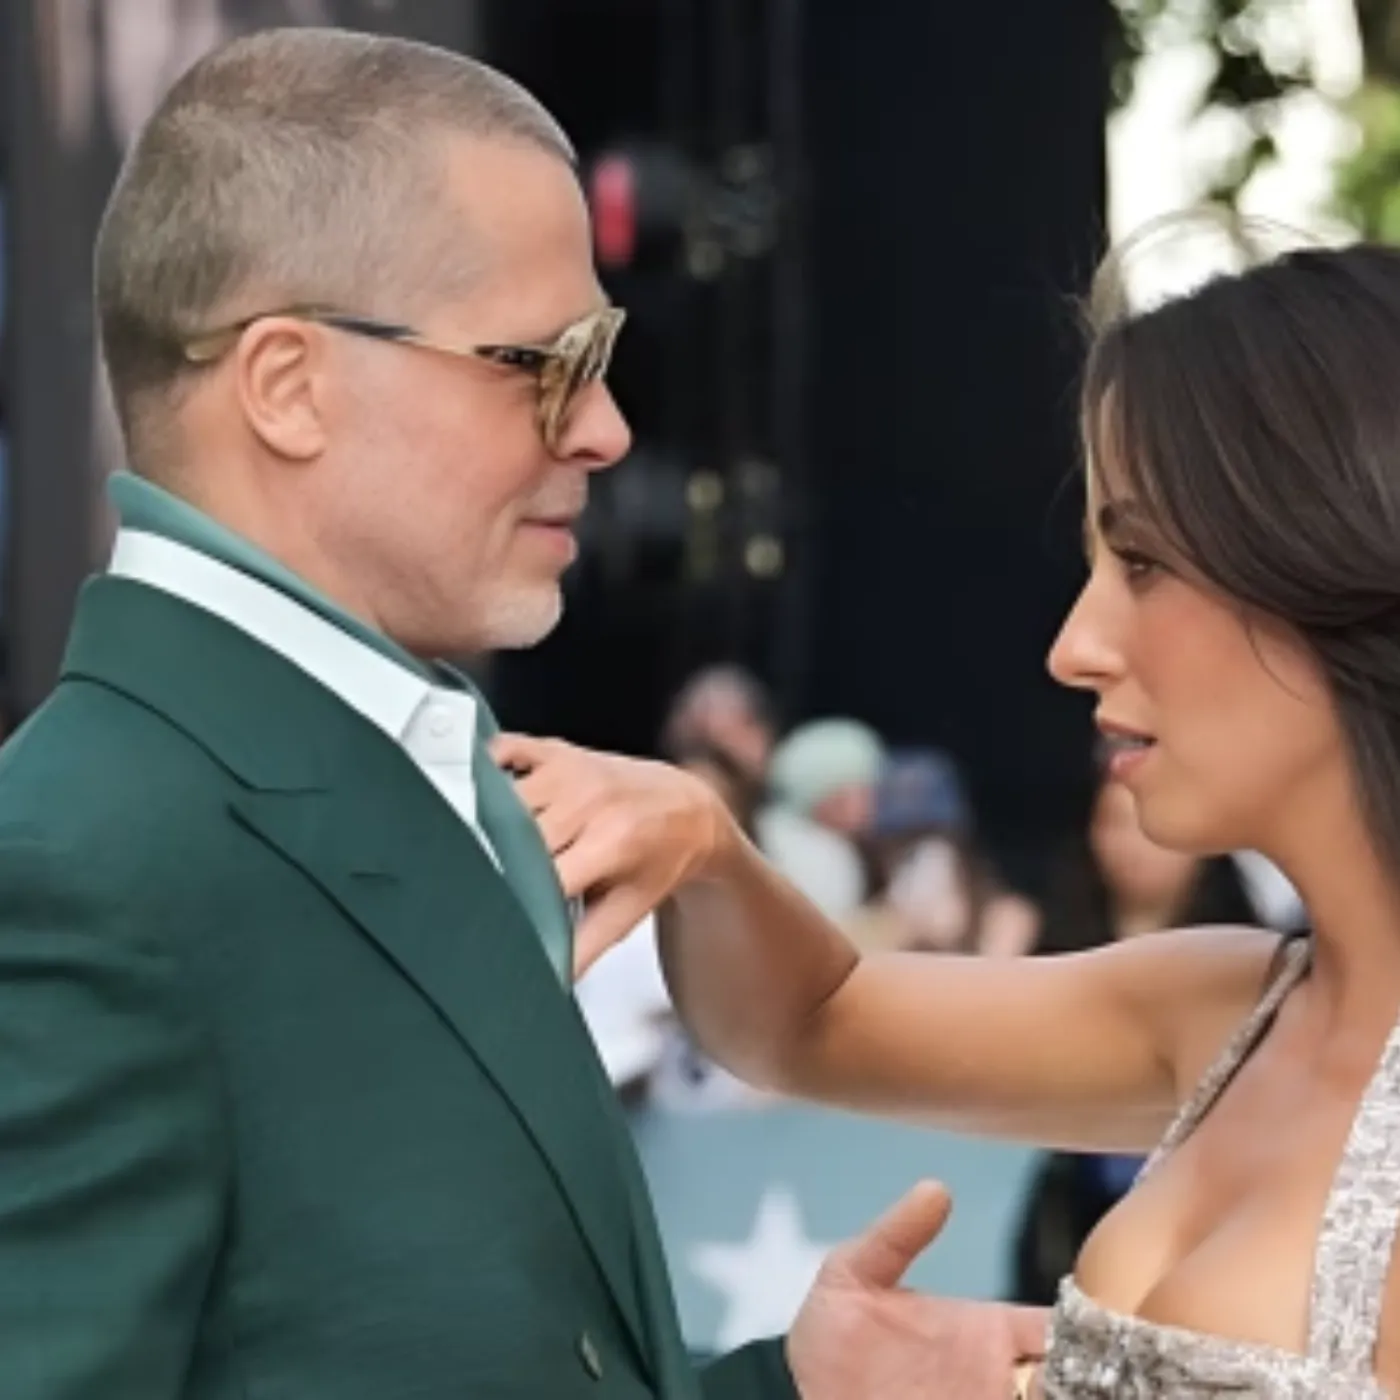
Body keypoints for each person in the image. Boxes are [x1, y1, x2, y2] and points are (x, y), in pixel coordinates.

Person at [0, 28, 1045, 1400]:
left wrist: (792, 1388)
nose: (605, 428)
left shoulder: (367, 780)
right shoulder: (71, 870)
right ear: (288, 386)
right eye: (546, 360)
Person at [496, 225, 1400, 1397]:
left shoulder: (1211, 1010)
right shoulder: (1227, 1009)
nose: (1073, 646)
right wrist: (701, 839)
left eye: (1139, 562)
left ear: (1331, 551)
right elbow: (808, 1021)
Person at [1012, 772, 1264, 1304]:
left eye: (1149, 826)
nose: (1131, 845)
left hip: (1207, 1197)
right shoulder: (1058, 943)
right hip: (1080, 1193)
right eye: (1113, 824)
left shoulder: (1255, 955)